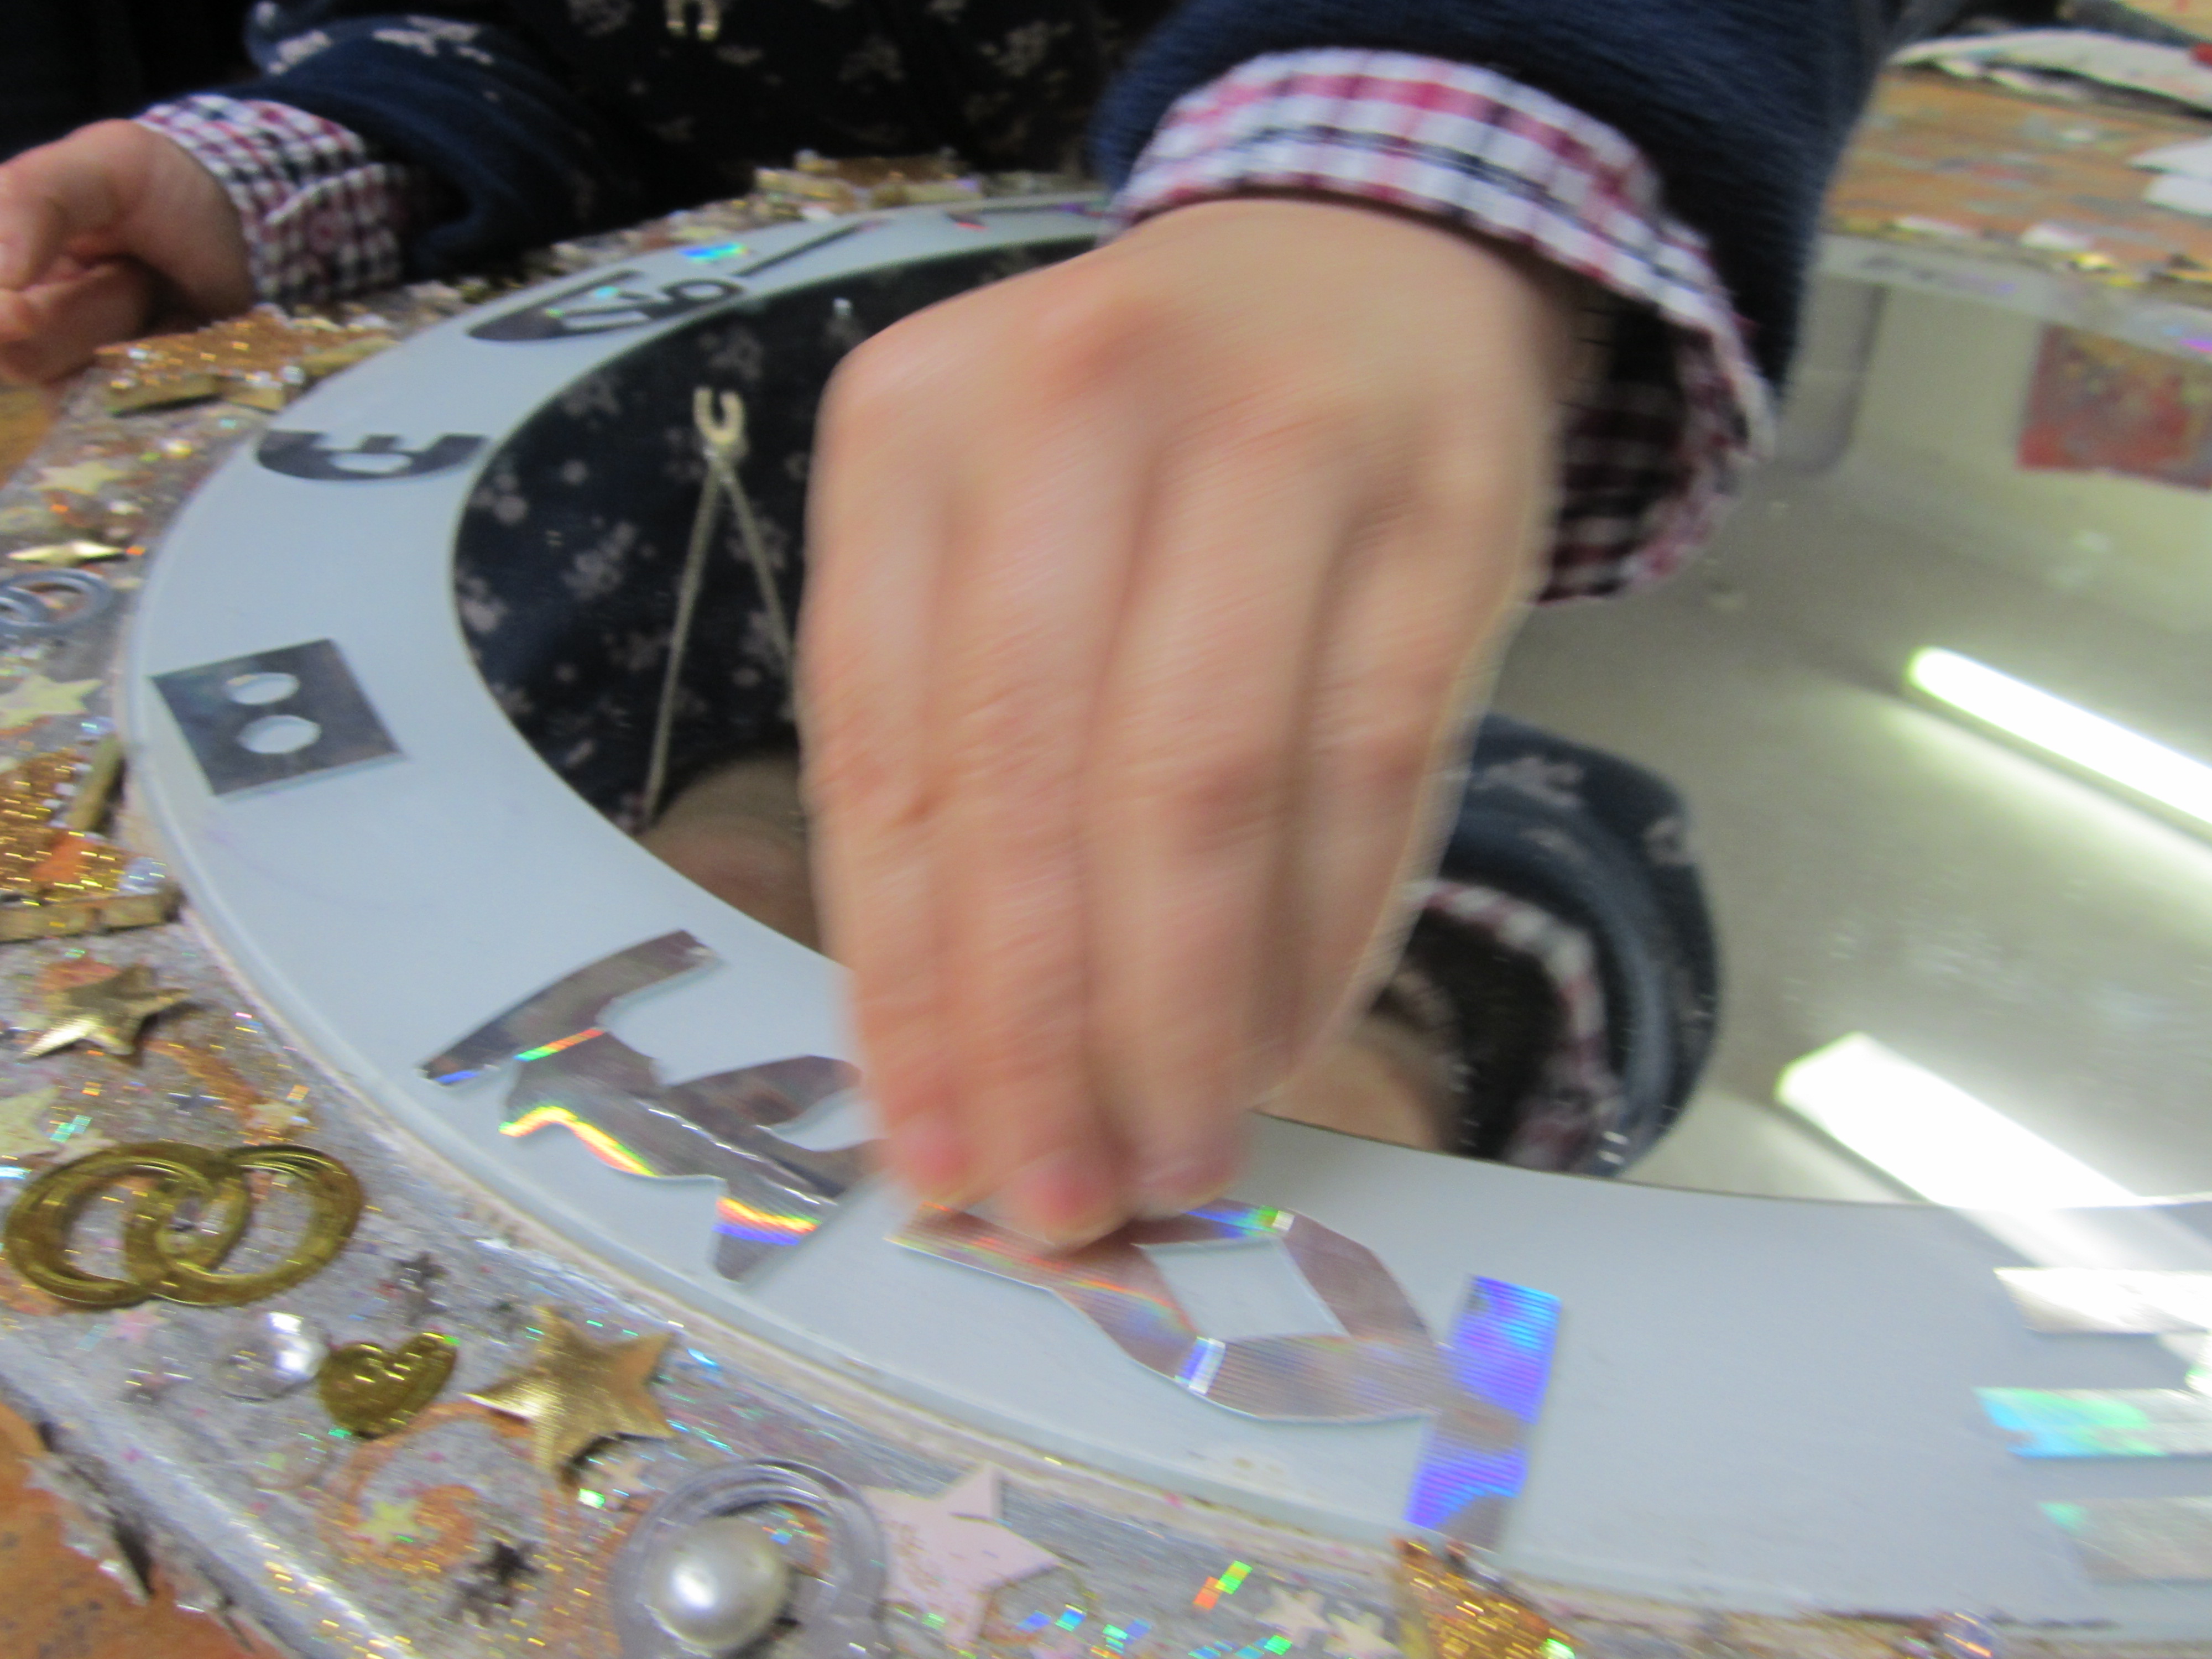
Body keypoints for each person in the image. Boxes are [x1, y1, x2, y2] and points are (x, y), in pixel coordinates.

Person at [0, 0, 1912, 1244]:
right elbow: (522, 57)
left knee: (1275, 851)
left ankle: (1402, 1027)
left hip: (1260, 446)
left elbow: (1574, 862)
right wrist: (315, 168)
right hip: (605, 563)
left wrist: (1435, 127)